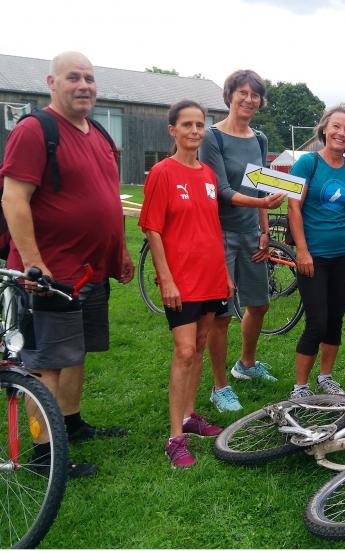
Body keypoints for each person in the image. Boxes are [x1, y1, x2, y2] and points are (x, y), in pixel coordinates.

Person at [0, 51, 134, 477]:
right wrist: (35, 264)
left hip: (91, 269)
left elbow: (105, 199)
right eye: (73, 77)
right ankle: (44, 456)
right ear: (52, 82)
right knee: (47, 362)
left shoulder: (96, 132)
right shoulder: (36, 130)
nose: (84, 85)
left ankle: (70, 423)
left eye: (90, 78)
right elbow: (14, 198)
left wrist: (120, 252)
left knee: (76, 354)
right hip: (51, 272)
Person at [139, 100, 238, 468]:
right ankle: (174, 437)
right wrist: (166, 278)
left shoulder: (209, 175)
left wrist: (224, 274)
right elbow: (152, 228)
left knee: (198, 345)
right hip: (181, 279)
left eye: (199, 125)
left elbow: (212, 227)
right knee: (183, 351)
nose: (194, 131)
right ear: (173, 130)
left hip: (211, 275)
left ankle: (190, 416)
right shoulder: (162, 173)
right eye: (187, 125)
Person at [199, 70, 286, 412]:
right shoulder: (212, 137)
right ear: (230, 95)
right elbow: (222, 191)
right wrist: (262, 204)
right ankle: (220, 386)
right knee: (220, 313)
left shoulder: (260, 138)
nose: (249, 99)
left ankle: (245, 365)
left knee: (259, 303)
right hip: (219, 233)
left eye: (255, 95)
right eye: (243, 93)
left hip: (252, 231)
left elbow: (260, 184)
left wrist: (264, 228)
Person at [287, 103, 345, 400]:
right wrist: (303, 251)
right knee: (317, 320)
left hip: (344, 254)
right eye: (336, 126)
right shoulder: (307, 164)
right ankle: (300, 387)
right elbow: (293, 207)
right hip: (314, 255)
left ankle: (326, 377)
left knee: (335, 320)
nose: (341, 133)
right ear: (324, 129)